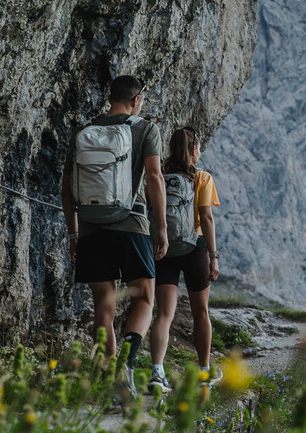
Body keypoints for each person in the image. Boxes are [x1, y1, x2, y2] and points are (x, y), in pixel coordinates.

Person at [61, 75, 167, 395]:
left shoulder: (83, 132)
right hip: (131, 226)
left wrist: (73, 233)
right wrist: (161, 227)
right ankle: (127, 365)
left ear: (111, 97)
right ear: (136, 100)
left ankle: (111, 379)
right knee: (145, 299)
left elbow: (67, 188)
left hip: (92, 229)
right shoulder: (145, 128)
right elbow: (154, 176)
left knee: (102, 308)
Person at [148, 126, 221, 392]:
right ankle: (203, 372)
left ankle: (157, 372)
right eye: (198, 147)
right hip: (195, 249)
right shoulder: (201, 178)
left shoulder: (161, 177)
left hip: (164, 249)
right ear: (193, 150)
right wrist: (213, 256)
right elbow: (207, 219)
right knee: (201, 312)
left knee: (164, 314)